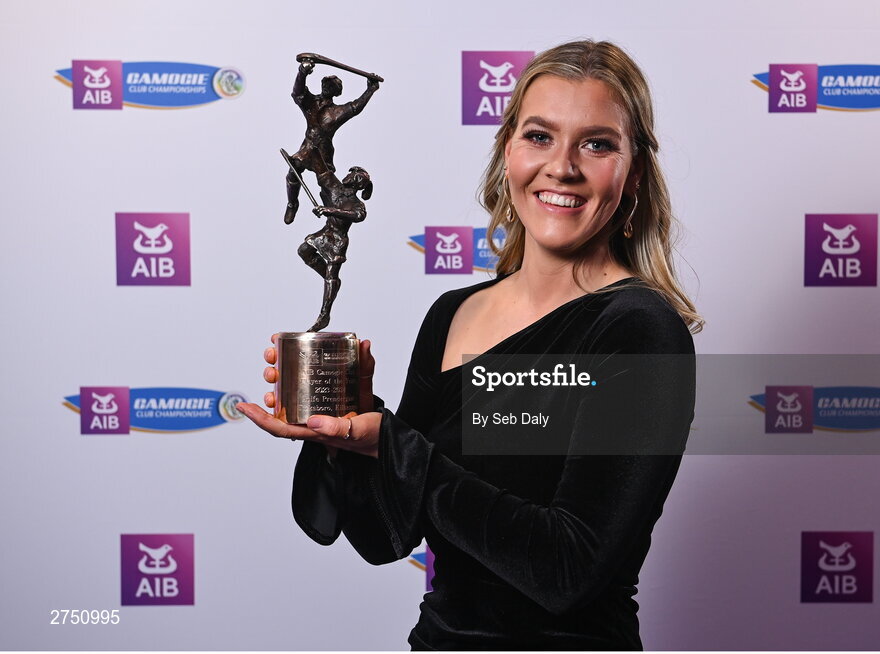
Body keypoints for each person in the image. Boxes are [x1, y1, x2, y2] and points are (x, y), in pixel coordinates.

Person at [237, 40, 702, 650]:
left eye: (597, 144)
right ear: (508, 150)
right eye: (539, 136)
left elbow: (569, 571)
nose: (562, 166)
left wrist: (395, 445)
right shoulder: (452, 314)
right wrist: (349, 429)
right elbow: (385, 537)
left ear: (633, 171)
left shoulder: (640, 331)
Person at [283, 58, 379, 225]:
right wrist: (302, 72)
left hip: (324, 151)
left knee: (328, 186)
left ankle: (335, 216)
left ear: (336, 92)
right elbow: (297, 93)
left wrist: (370, 89)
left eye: (331, 87)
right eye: (326, 84)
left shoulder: (337, 111)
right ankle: (292, 204)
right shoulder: (311, 103)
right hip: (307, 147)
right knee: (293, 171)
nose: (327, 87)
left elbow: (356, 107)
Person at [299, 166, 373, 332]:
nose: (348, 176)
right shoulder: (337, 190)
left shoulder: (357, 204)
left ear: (357, 183)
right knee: (304, 250)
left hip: (338, 241)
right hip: (326, 232)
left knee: (332, 275)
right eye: (350, 173)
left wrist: (330, 210)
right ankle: (332, 282)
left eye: (352, 176)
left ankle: (324, 314)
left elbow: (357, 216)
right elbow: (323, 178)